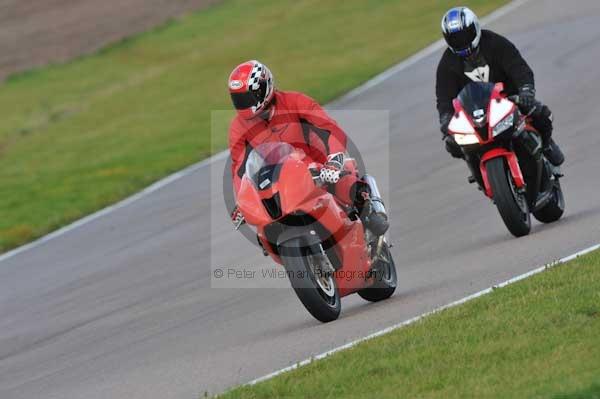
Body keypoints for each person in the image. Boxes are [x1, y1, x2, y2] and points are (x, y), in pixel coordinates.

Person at [227, 60, 388, 235]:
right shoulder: (238, 127)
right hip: (276, 183)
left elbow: (329, 129)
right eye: (238, 99)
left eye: (246, 98)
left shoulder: (296, 101)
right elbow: (239, 168)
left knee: (345, 184)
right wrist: (243, 199)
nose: (243, 104)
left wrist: (334, 160)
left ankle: (369, 213)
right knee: (264, 228)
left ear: (263, 88)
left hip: (316, 168)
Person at [435, 6, 564, 166]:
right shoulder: (447, 64)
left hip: (509, 99)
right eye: (455, 39)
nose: (462, 42)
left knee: (541, 114)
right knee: (453, 144)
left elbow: (519, 68)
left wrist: (526, 91)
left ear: (475, 28)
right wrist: (446, 120)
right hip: (476, 113)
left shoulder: (495, 43)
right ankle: (477, 167)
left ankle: (546, 144)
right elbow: (444, 98)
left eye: (465, 35)